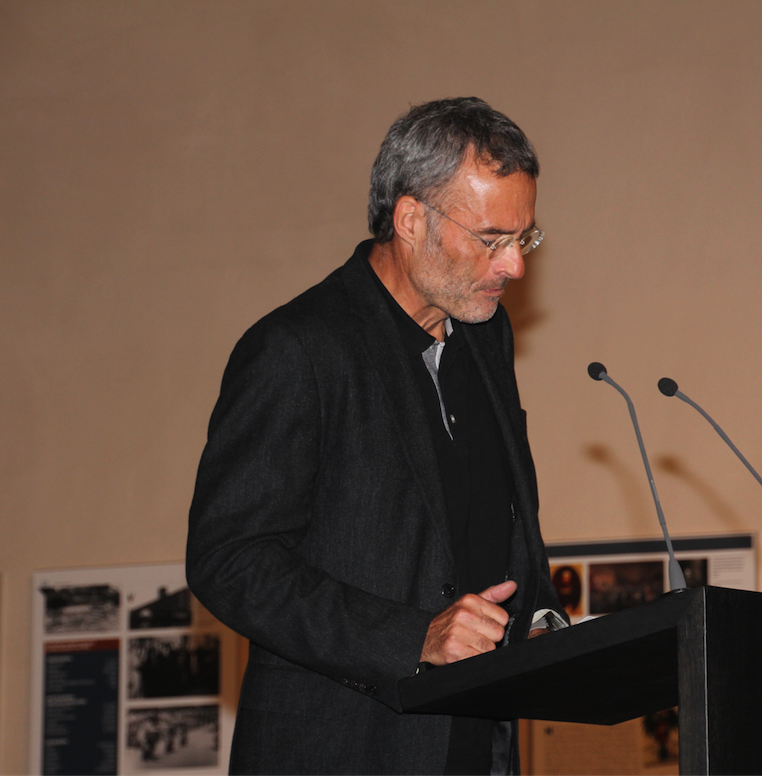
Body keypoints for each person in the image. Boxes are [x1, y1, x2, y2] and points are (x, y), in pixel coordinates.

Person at [187, 97, 568, 775]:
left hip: (475, 748)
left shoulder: (486, 338)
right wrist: (412, 637)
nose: (514, 266)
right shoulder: (299, 349)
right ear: (411, 219)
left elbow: (500, 523)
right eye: (491, 239)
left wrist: (541, 624)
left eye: (524, 238)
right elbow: (231, 559)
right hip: (342, 750)